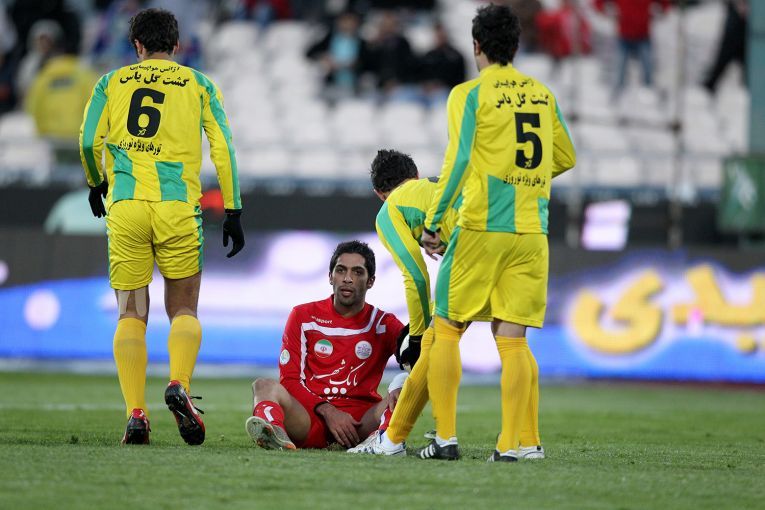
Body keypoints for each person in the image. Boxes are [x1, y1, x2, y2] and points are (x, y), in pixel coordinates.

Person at [383, 4, 575, 462]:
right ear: (516, 45)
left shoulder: (468, 94)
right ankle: (516, 446)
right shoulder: (542, 94)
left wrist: (434, 221)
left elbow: (458, 162)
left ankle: (445, 439)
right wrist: (522, 181)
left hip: (481, 226)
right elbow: (565, 157)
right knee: (513, 339)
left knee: (447, 329)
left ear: (476, 45)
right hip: (532, 232)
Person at [79, 8, 245, 446]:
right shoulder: (199, 84)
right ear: (177, 45)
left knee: (131, 313)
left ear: (136, 45)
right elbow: (224, 147)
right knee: (184, 310)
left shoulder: (111, 82)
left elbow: (88, 141)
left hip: (128, 208)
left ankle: (136, 414)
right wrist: (233, 209)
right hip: (177, 209)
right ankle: (178, 385)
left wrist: (96, 182)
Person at [245, 241, 410, 450]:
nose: (347, 278)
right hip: (310, 418)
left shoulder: (383, 324)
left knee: (405, 386)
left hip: (360, 424)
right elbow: (290, 380)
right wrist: (328, 410)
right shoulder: (303, 316)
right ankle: (275, 434)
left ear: (371, 281)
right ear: (330, 276)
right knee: (263, 385)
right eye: (341, 270)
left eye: (357, 272)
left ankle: (385, 440)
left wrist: (399, 384)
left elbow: (418, 362)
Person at [594, 0, 669, 98]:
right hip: (623, 36)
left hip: (643, 36)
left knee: (648, 67)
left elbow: (665, 3)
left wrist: (661, 11)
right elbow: (598, 3)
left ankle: (648, 94)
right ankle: (617, 95)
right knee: (619, 68)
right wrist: (605, 11)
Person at [702, 0, 748, 94]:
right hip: (739, 17)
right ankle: (710, 84)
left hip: (748, 20)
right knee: (727, 52)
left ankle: (711, 83)